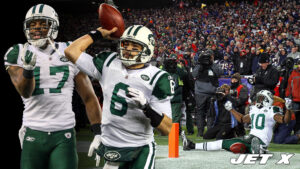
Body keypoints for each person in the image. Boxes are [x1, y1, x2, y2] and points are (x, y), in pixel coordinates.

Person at [4, 4, 102, 169]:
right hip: (33, 131)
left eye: (43, 24)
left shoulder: (69, 51)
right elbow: (25, 92)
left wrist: (99, 132)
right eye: (32, 24)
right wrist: (28, 70)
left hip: (64, 132)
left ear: (53, 26)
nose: (36, 28)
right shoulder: (17, 52)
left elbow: (89, 97)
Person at [64, 25, 174, 168]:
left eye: (134, 46)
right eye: (125, 44)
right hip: (111, 147)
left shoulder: (158, 77)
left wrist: (146, 107)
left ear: (147, 49)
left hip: (140, 147)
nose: (128, 49)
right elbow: (70, 51)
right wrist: (98, 34)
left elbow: (167, 129)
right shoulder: (108, 62)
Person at [182, 90, 293, 154]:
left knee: (250, 143)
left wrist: (288, 109)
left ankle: (259, 149)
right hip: (250, 138)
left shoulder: (271, 110)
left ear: (267, 100)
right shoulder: (254, 109)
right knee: (224, 143)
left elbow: (284, 120)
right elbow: (242, 119)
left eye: (260, 98)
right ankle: (192, 146)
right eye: (258, 98)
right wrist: (231, 110)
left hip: (261, 140)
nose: (258, 100)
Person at [192, 49, 223, 137]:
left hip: (208, 93)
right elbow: (194, 74)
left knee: (208, 113)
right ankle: (200, 132)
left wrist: (211, 64)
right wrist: (201, 64)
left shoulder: (214, 65)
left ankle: (208, 132)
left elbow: (220, 73)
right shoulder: (199, 65)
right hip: (202, 93)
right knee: (202, 113)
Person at [285, 59, 300, 135]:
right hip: (295, 99)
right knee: (293, 118)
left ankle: (298, 134)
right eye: (298, 64)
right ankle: (293, 133)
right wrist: (287, 96)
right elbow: (289, 87)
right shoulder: (293, 73)